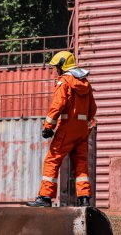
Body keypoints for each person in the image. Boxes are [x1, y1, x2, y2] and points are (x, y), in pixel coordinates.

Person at [27, 51, 97, 207]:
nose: (56, 70)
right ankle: (84, 198)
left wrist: (48, 126)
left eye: (56, 67)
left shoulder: (64, 82)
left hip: (67, 127)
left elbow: (57, 105)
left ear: (62, 66)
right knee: (80, 163)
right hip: (82, 130)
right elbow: (93, 109)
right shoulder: (86, 84)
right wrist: (85, 126)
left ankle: (45, 197)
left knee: (52, 160)